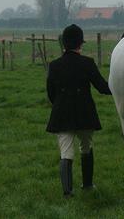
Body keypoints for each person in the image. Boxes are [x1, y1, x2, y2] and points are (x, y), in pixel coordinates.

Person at [46, 24, 111, 196]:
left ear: (64, 44)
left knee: (66, 152)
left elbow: (51, 94)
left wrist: (60, 105)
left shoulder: (54, 65)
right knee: (86, 147)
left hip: (62, 114)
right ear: (80, 44)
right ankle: (88, 185)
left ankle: (67, 192)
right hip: (85, 113)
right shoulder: (87, 63)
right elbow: (103, 88)